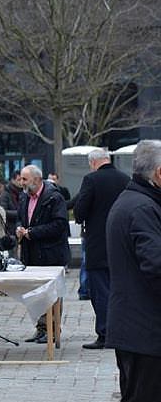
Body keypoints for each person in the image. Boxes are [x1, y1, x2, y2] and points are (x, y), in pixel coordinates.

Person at [105, 140, 161, 402]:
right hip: (144, 329)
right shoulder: (141, 207)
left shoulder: (137, 201)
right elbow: (155, 266)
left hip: (137, 326)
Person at [72, 148, 130, 350]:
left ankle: (105, 333)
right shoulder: (125, 179)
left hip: (97, 243)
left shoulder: (91, 180)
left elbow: (80, 211)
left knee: (100, 291)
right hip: (121, 244)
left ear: (93, 163)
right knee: (120, 290)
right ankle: (122, 331)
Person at [16, 164, 70, 344]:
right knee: (37, 294)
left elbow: (59, 225)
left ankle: (53, 329)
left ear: (37, 179)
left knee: (52, 294)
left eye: (25, 179)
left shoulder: (54, 197)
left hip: (51, 254)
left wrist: (32, 233)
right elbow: (20, 218)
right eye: (21, 178)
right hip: (31, 254)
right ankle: (41, 328)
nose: (21, 182)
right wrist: (19, 229)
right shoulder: (24, 197)